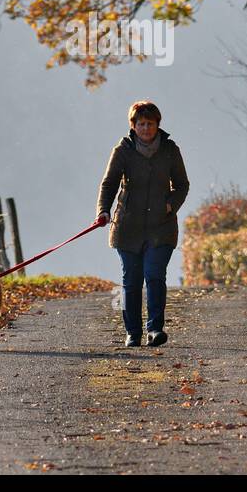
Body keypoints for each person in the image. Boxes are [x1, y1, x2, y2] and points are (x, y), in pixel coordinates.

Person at [95, 100, 190, 347]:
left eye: (150, 123)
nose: (146, 128)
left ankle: (155, 329)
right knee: (132, 280)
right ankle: (133, 333)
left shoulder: (170, 150)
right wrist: (103, 211)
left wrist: (170, 205)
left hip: (161, 226)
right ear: (133, 126)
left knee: (155, 275)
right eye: (141, 124)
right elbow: (109, 183)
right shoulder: (123, 150)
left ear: (158, 124)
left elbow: (182, 185)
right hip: (128, 227)